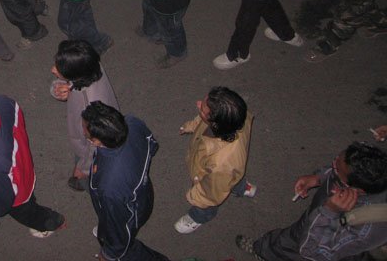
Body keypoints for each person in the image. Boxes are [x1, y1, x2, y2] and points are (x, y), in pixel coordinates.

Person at [236, 142, 387, 259]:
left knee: (288, 248)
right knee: (286, 238)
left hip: (313, 240)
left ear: (356, 190)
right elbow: (341, 167)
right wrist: (319, 178)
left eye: (335, 169)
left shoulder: (367, 228)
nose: (332, 165)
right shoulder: (369, 168)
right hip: (310, 223)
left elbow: (313, 252)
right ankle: (264, 249)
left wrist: (328, 212)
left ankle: (264, 254)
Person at [0, 92, 65, 238]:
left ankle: (51, 222)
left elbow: (5, 195)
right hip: (22, 163)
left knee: (27, 212)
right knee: (29, 195)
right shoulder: (3, 102)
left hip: (17, 193)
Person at [82, 102, 166, 261]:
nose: (83, 129)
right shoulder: (132, 122)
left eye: (86, 131)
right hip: (142, 193)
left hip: (129, 209)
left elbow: (118, 224)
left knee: (123, 244)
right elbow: (151, 144)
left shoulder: (110, 186)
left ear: (97, 141)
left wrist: (109, 254)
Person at [175, 86, 255, 234]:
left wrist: (195, 196)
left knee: (209, 200)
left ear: (215, 124)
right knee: (232, 179)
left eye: (203, 109)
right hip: (229, 173)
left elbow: (210, 193)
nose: (198, 104)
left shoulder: (222, 163)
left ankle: (199, 217)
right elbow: (202, 121)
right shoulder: (233, 116)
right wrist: (191, 125)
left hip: (214, 176)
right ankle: (242, 187)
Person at [49, 40, 119, 192]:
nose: (53, 69)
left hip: (88, 146)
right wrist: (59, 88)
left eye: (59, 67)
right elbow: (66, 80)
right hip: (88, 136)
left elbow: (95, 145)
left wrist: (83, 168)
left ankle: (86, 184)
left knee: (93, 175)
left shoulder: (92, 108)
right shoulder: (90, 66)